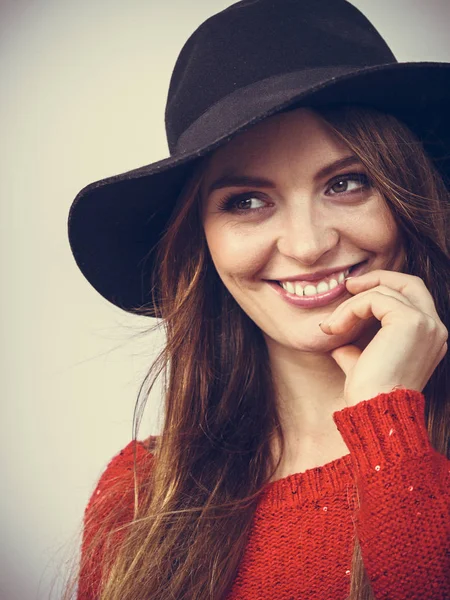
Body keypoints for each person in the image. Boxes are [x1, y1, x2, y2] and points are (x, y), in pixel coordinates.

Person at [66, 0, 450, 598]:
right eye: (247, 200)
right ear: (202, 242)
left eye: (347, 183)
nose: (307, 245)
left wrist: (389, 430)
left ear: (407, 196)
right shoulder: (139, 497)